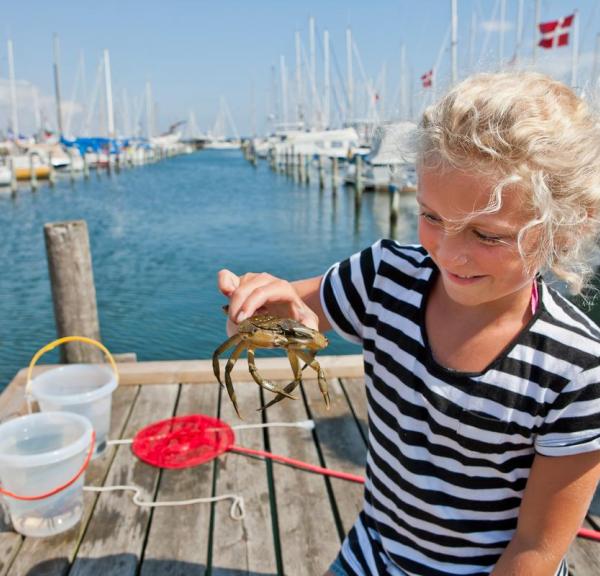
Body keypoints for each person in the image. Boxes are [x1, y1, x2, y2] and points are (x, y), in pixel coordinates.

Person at [217, 72, 600, 576]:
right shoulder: (384, 278)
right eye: (432, 217)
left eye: (487, 234)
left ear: (566, 229)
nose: (450, 253)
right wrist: (257, 310)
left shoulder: (578, 369)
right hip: (374, 551)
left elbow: (535, 547)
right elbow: (284, 321)